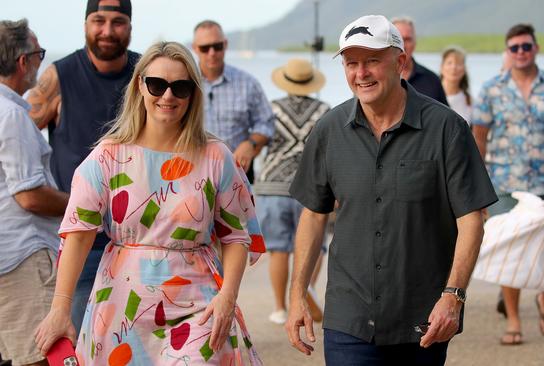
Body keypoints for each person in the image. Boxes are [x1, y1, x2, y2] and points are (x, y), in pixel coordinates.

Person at [34, 41, 265, 365]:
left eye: (180, 87)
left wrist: (228, 296)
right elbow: (78, 231)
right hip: (120, 305)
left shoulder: (216, 156)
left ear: (192, 94)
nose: (167, 96)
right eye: (157, 84)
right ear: (140, 85)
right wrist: (60, 309)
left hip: (198, 305)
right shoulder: (108, 156)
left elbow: (237, 234)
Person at [285, 15, 496, 365]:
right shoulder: (328, 130)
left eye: (372, 61)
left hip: (421, 318)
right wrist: (297, 297)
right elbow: (313, 214)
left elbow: (471, 219)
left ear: (400, 62)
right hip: (348, 318)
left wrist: (454, 296)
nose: (361, 73)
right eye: (351, 63)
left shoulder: (447, 129)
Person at [26, 0, 140, 332]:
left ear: (130, 28)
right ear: (85, 24)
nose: (107, 31)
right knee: (81, 335)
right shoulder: (59, 76)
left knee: (137, 338)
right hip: (82, 237)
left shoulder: (148, 75)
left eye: (118, 22)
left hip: (140, 235)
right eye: (98, 20)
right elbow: (13, 138)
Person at [472, 23, 544, 345]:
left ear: (536, 48)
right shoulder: (491, 89)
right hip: (503, 184)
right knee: (511, 253)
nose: (521, 52)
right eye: (515, 47)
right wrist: (477, 186)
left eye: (526, 46)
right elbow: (479, 137)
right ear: (508, 51)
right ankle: (514, 320)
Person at [0, 19, 69, 366]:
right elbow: (28, 195)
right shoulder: (11, 115)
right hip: (22, 259)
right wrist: (81, 205)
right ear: (23, 62)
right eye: (39, 54)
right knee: (40, 359)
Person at [256, 58, 329, 325]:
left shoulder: (271, 109)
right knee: (315, 246)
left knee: (278, 250)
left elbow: (259, 139)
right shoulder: (324, 110)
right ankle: (305, 292)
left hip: (271, 185)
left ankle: (279, 308)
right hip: (309, 187)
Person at [192, 20, 275, 184]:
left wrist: (251, 144)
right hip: (194, 172)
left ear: (225, 44)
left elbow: (267, 123)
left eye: (217, 46)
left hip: (238, 173)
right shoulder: (185, 82)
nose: (211, 53)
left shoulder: (248, 83)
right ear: (195, 48)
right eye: (204, 48)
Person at [391, 16, 448, 105]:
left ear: (415, 42)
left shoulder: (432, 80)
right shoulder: (378, 79)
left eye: (407, 40)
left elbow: (446, 117)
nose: (403, 45)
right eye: (398, 39)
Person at [440, 46, 471, 123]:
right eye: (449, 63)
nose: (454, 67)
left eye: (459, 63)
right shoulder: (431, 95)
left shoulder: (470, 100)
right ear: (442, 67)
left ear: (464, 69)